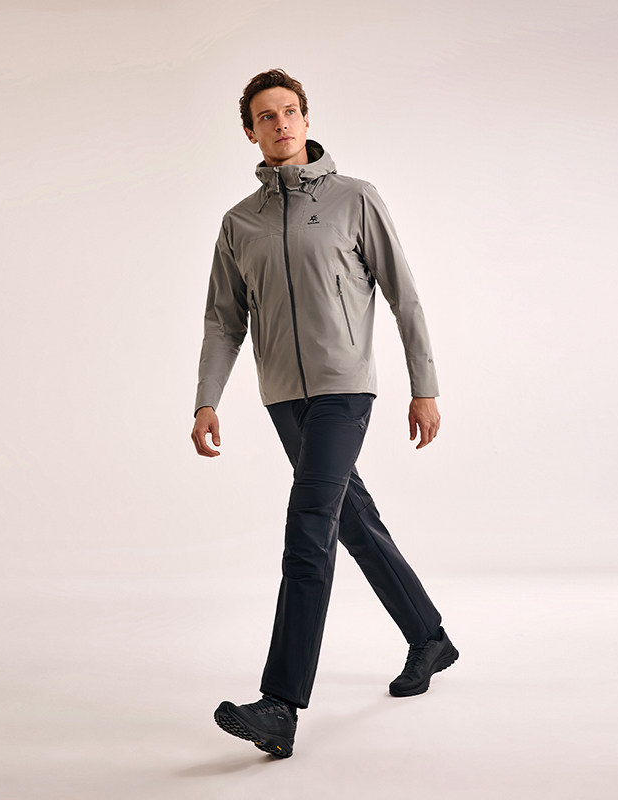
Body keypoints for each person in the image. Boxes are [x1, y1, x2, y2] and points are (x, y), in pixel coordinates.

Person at [190, 68, 458, 759]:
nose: (280, 124)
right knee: (353, 521)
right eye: (265, 116)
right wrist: (206, 400)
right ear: (249, 131)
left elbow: (404, 296)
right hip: (283, 396)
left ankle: (280, 705)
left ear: (306, 120)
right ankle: (429, 636)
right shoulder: (239, 223)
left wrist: (424, 386)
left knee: (310, 527)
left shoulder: (354, 199)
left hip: (344, 390)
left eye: (289, 111)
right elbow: (224, 321)